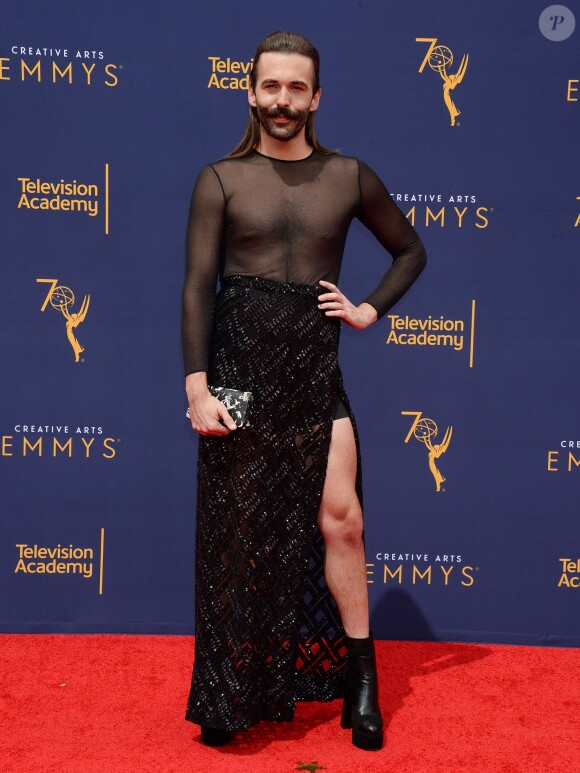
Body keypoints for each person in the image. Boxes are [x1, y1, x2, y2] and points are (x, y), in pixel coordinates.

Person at [181, 30, 426, 752]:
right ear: (250, 91)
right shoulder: (219, 179)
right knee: (237, 535)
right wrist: (198, 387)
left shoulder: (348, 175)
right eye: (271, 87)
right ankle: (229, 694)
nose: (283, 100)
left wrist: (368, 309)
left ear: (315, 98)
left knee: (342, 518)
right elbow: (199, 288)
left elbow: (411, 248)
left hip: (315, 372)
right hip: (240, 374)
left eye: (297, 88)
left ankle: (361, 681)